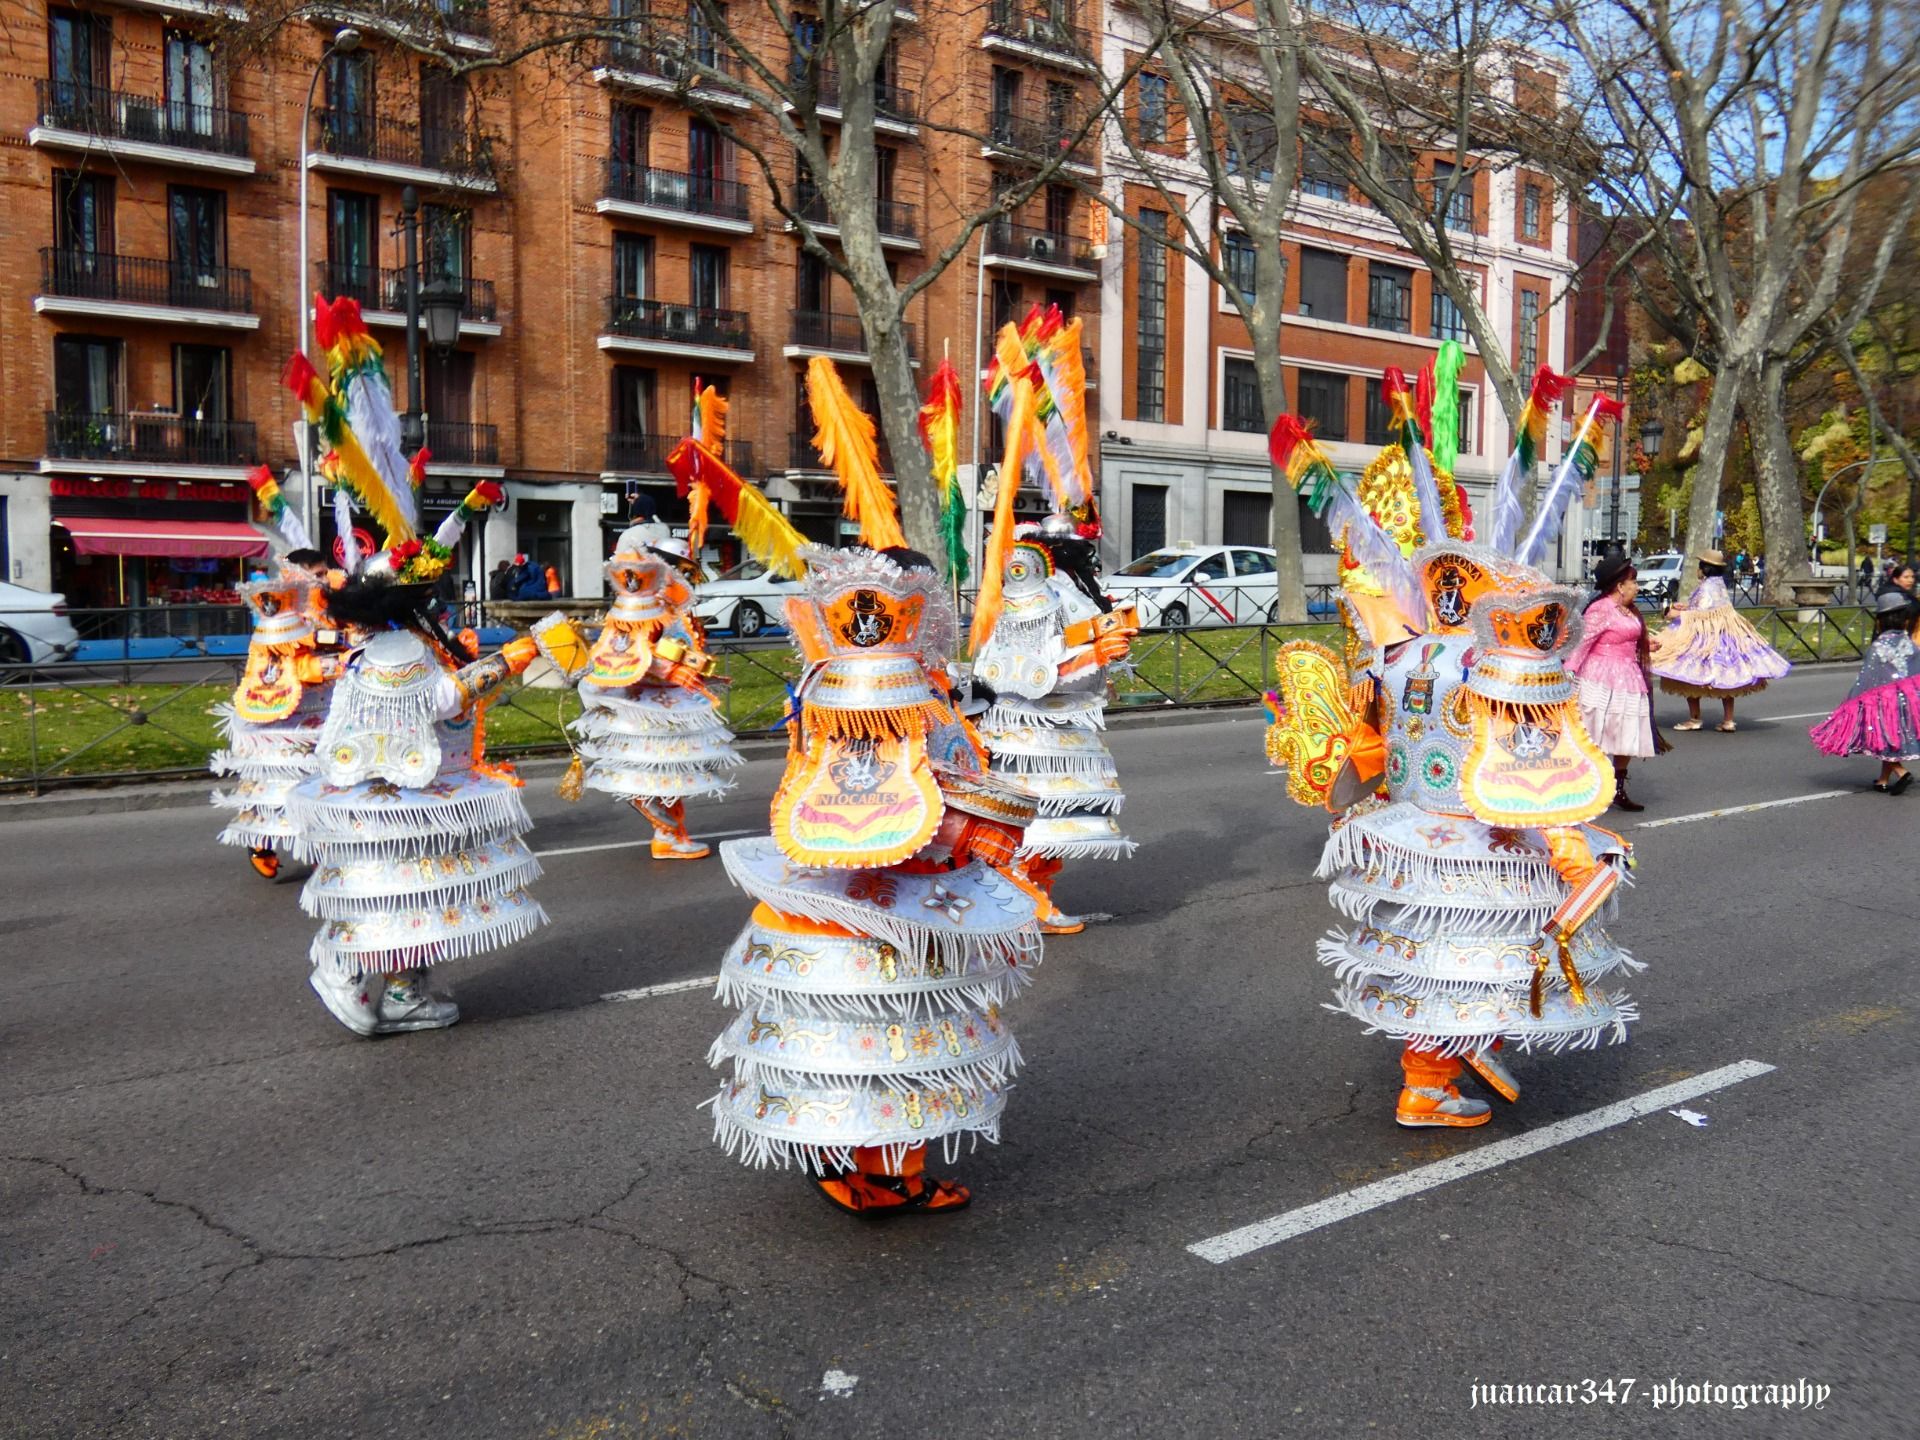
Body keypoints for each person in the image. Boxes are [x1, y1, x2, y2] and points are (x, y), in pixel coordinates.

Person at [1266, 395, 1640, 1131]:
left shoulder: (1398, 653)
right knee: (1480, 955)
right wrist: (1575, 857)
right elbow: (1531, 761)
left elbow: (1365, 751)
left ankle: (1450, 1063)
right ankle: (1431, 1085)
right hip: (1484, 837)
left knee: (1435, 955)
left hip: (1408, 835)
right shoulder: (1499, 661)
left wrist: (1352, 808)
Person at [704, 544, 1046, 1213]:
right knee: (900, 1035)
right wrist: (988, 819)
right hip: (905, 899)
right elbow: (933, 805)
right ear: (920, 614)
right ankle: (890, 1178)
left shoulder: (820, 689)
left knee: (837, 1026)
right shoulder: (912, 698)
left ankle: (835, 1154)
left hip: (825, 890)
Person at [971, 521, 1138, 933]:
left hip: (1064, 723)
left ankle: (1033, 892)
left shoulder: (1069, 583)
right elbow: (1018, 668)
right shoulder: (1031, 585)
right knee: (1034, 817)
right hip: (1029, 728)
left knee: (1058, 820)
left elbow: (1070, 639)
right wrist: (1094, 655)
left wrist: (1104, 646)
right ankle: (1021, 901)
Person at [566, 530, 741, 859]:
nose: (687, 578)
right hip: (646, 705)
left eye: (689, 572)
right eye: (681, 570)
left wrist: (700, 672)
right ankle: (668, 834)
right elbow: (634, 654)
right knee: (654, 774)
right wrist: (672, 669)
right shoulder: (643, 606)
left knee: (672, 771)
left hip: (668, 703)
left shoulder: (668, 606)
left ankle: (671, 835)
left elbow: (680, 650)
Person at [1650, 549, 1791, 732]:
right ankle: (1728, 720)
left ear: (1705, 569)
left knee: (1690, 674)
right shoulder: (1718, 584)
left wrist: (1675, 612)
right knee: (1726, 676)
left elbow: (1702, 615)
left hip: (1704, 638)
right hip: (1724, 636)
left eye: (1700, 566)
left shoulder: (1707, 586)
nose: (1697, 570)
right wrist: (1687, 607)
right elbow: (1709, 608)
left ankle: (1694, 718)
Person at [1566, 556, 1658, 811]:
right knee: (1594, 732)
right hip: (1600, 676)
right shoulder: (1601, 609)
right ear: (1620, 585)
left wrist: (1648, 644)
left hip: (1628, 677)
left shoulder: (1628, 610)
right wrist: (1569, 673)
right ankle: (1584, 786)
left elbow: (1626, 637)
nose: (1637, 587)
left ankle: (1618, 787)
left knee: (1625, 732)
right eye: (1634, 582)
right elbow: (1582, 643)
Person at [1810, 591, 1920, 794]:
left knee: (1881, 740)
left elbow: (1868, 679)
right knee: (1890, 739)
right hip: (1908, 701)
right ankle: (1882, 780)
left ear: (1880, 622)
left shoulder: (1878, 647)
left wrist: (1852, 701)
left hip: (1885, 704)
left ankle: (1901, 772)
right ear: (1905, 620)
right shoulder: (1909, 644)